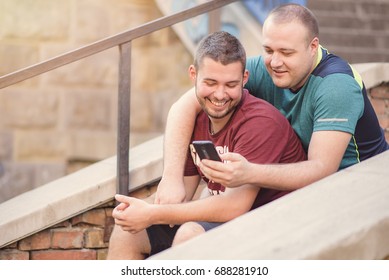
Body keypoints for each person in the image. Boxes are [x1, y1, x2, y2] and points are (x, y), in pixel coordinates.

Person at [155, 3, 389, 204]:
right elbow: (184, 106)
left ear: (313, 47)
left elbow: (321, 169)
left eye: (286, 52)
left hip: (361, 188)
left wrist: (249, 173)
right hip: (306, 189)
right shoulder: (266, 68)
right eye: (268, 50)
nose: (275, 62)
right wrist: (172, 178)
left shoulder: (336, 86)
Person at [107, 31, 306, 259]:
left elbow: (234, 206)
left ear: (244, 79)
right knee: (127, 233)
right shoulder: (197, 119)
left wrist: (153, 214)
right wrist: (142, 211)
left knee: (190, 235)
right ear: (193, 75)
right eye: (210, 83)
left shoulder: (261, 123)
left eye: (230, 84)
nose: (220, 95)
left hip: (270, 226)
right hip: (226, 220)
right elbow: (183, 192)